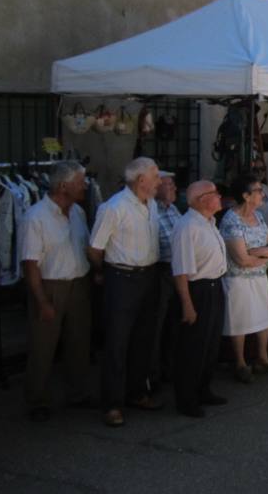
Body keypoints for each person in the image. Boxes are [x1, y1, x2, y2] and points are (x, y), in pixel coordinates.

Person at [88, 157, 163, 427]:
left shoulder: (151, 204)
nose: (159, 181)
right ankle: (112, 403)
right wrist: (103, 272)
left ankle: (137, 392)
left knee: (143, 339)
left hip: (148, 276)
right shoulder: (114, 207)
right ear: (141, 180)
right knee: (117, 342)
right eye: (155, 176)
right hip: (121, 277)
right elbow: (95, 248)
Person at [19, 161, 92, 420]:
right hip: (50, 285)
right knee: (43, 345)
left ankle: (78, 393)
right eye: (80, 181)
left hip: (78, 282)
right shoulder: (35, 217)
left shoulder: (78, 213)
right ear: (63, 186)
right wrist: (41, 300)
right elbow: (30, 264)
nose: (85, 186)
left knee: (79, 341)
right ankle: (36, 399)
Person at [169, 181, 229, 417]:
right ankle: (187, 398)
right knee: (193, 346)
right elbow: (181, 270)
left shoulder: (209, 222)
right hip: (197, 289)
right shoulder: (187, 226)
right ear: (201, 199)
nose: (219, 196)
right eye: (215, 193)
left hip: (214, 286)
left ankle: (203, 389)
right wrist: (187, 304)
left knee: (211, 344)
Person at [219, 173, 268, 382]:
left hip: (259, 275)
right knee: (240, 319)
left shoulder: (259, 216)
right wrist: (264, 254)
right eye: (258, 190)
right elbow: (241, 260)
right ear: (246, 196)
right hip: (238, 279)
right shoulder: (231, 220)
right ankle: (240, 363)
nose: (262, 194)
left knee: (263, 315)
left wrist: (255, 251)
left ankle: (262, 358)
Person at [151, 172, 182, 390]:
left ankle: (170, 368)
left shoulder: (174, 209)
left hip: (177, 272)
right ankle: (152, 374)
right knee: (156, 324)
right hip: (159, 271)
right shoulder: (151, 211)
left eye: (173, 184)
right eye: (169, 184)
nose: (174, 188)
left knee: (174, 323)